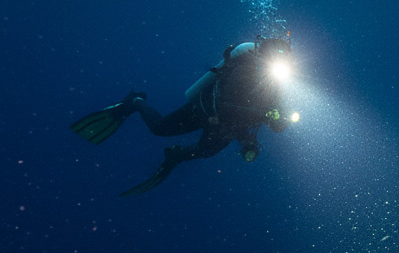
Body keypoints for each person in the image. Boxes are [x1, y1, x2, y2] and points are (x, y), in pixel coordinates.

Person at [71, 37, 294, 195]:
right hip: (205, 111)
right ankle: (135, 102)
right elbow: (227, 106)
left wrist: (279, 120)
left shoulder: (277, 86)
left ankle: (175, 156)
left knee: (205, 152)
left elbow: (275, 124)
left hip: (230, 127)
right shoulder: (245, 69)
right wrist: (265, 114)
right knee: (159, 128)